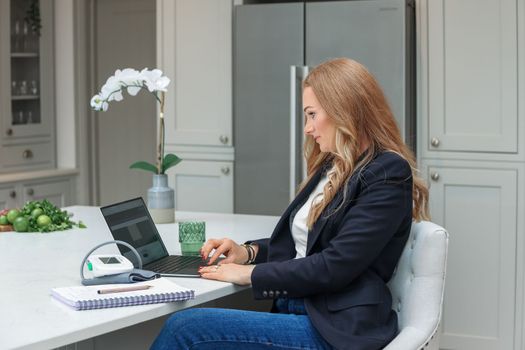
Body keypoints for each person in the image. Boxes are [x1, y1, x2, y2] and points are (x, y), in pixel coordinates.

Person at [150, 58, 429, 350]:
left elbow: (335, 265)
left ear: (343, 110)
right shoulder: (333, 164)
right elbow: (306, 246)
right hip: (301, 309)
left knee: (186, 328)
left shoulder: (385, 171)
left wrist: (251, 274)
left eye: (312, 115)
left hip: (336, 330)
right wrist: (248, 252)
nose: (307, 128)